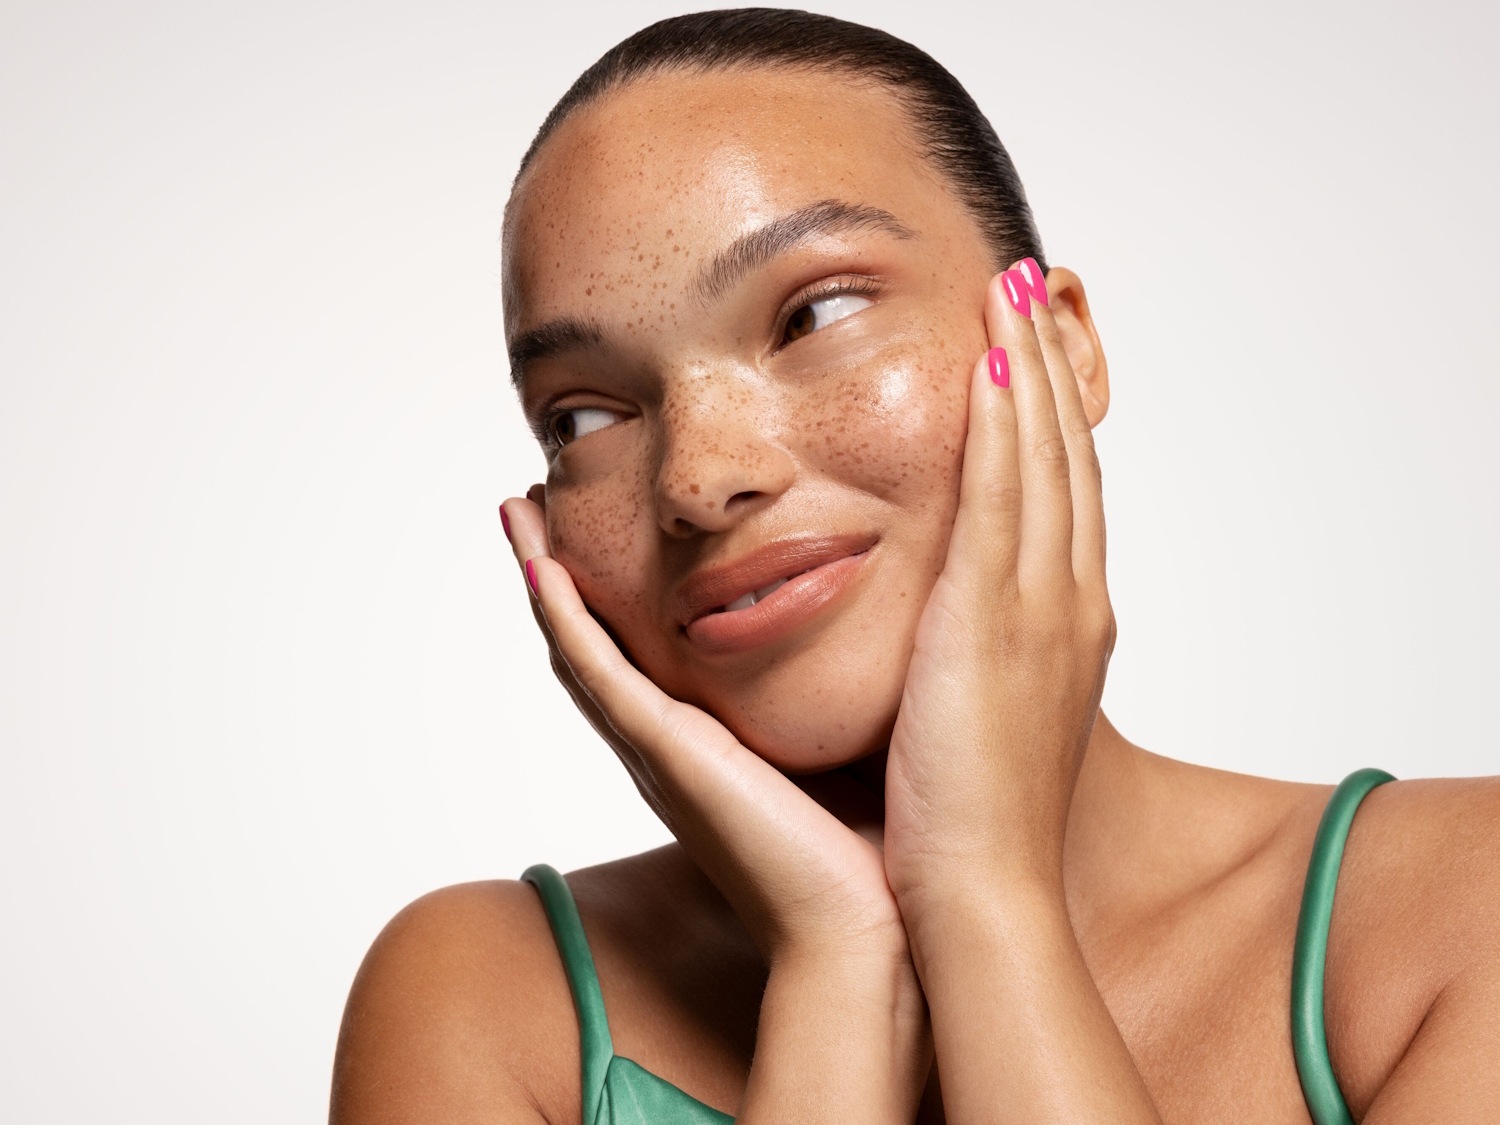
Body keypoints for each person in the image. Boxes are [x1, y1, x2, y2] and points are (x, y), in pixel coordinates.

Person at [330, 9, 1500, 1122]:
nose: (697, 476)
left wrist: (985, 895)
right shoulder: (483, 1002)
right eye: (584, 419)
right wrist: (838, 967)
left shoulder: (1458, 911)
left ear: (1063, 342)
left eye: (812, 315)